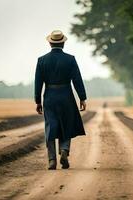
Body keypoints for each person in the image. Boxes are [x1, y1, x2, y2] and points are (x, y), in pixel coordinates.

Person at [34, 30, 87, 170]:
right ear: (63, 43)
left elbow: (38, 83)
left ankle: (52, 160)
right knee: (66, 124)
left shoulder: (41, 60)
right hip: (66, 96)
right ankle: (64, 150)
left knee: (50, 127)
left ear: (50, 43)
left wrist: (37, 101)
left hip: (50, 97)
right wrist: (82, 97)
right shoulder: (70, 59)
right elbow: (77, 80)